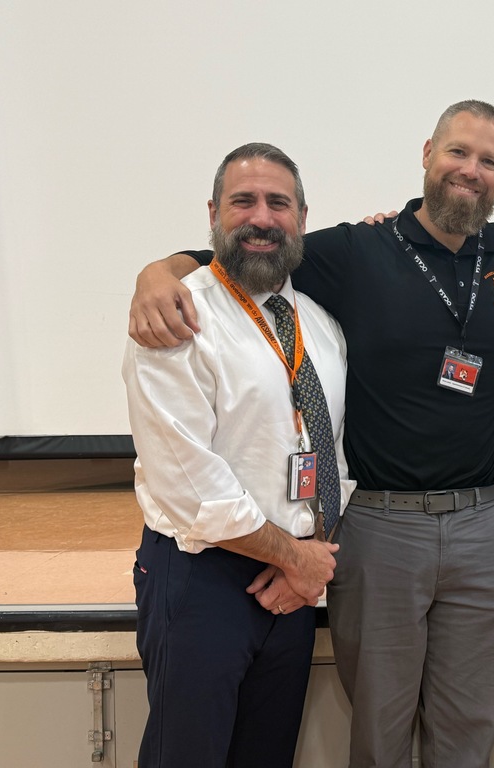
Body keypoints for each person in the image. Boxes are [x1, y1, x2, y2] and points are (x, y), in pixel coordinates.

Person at [127, 101, 494, 768]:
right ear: (427, 153)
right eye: (458, 152)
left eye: (488, 161)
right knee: (380, 736)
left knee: (468, 735)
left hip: (483, 530)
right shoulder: (357, 250)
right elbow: (243, 249)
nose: (470, 170)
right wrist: (157, 273)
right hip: (381, 529)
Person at [122, 143, 354, 767]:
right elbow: (189, 484)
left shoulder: (318, 323)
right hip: (203, 578)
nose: (262, 217)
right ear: (213, 214)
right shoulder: (176, 316)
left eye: (279, 203)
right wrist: (297, 559)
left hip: (292, 585)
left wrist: (311, 554)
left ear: (302, 218)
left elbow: (328, 450)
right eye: (242, 201)